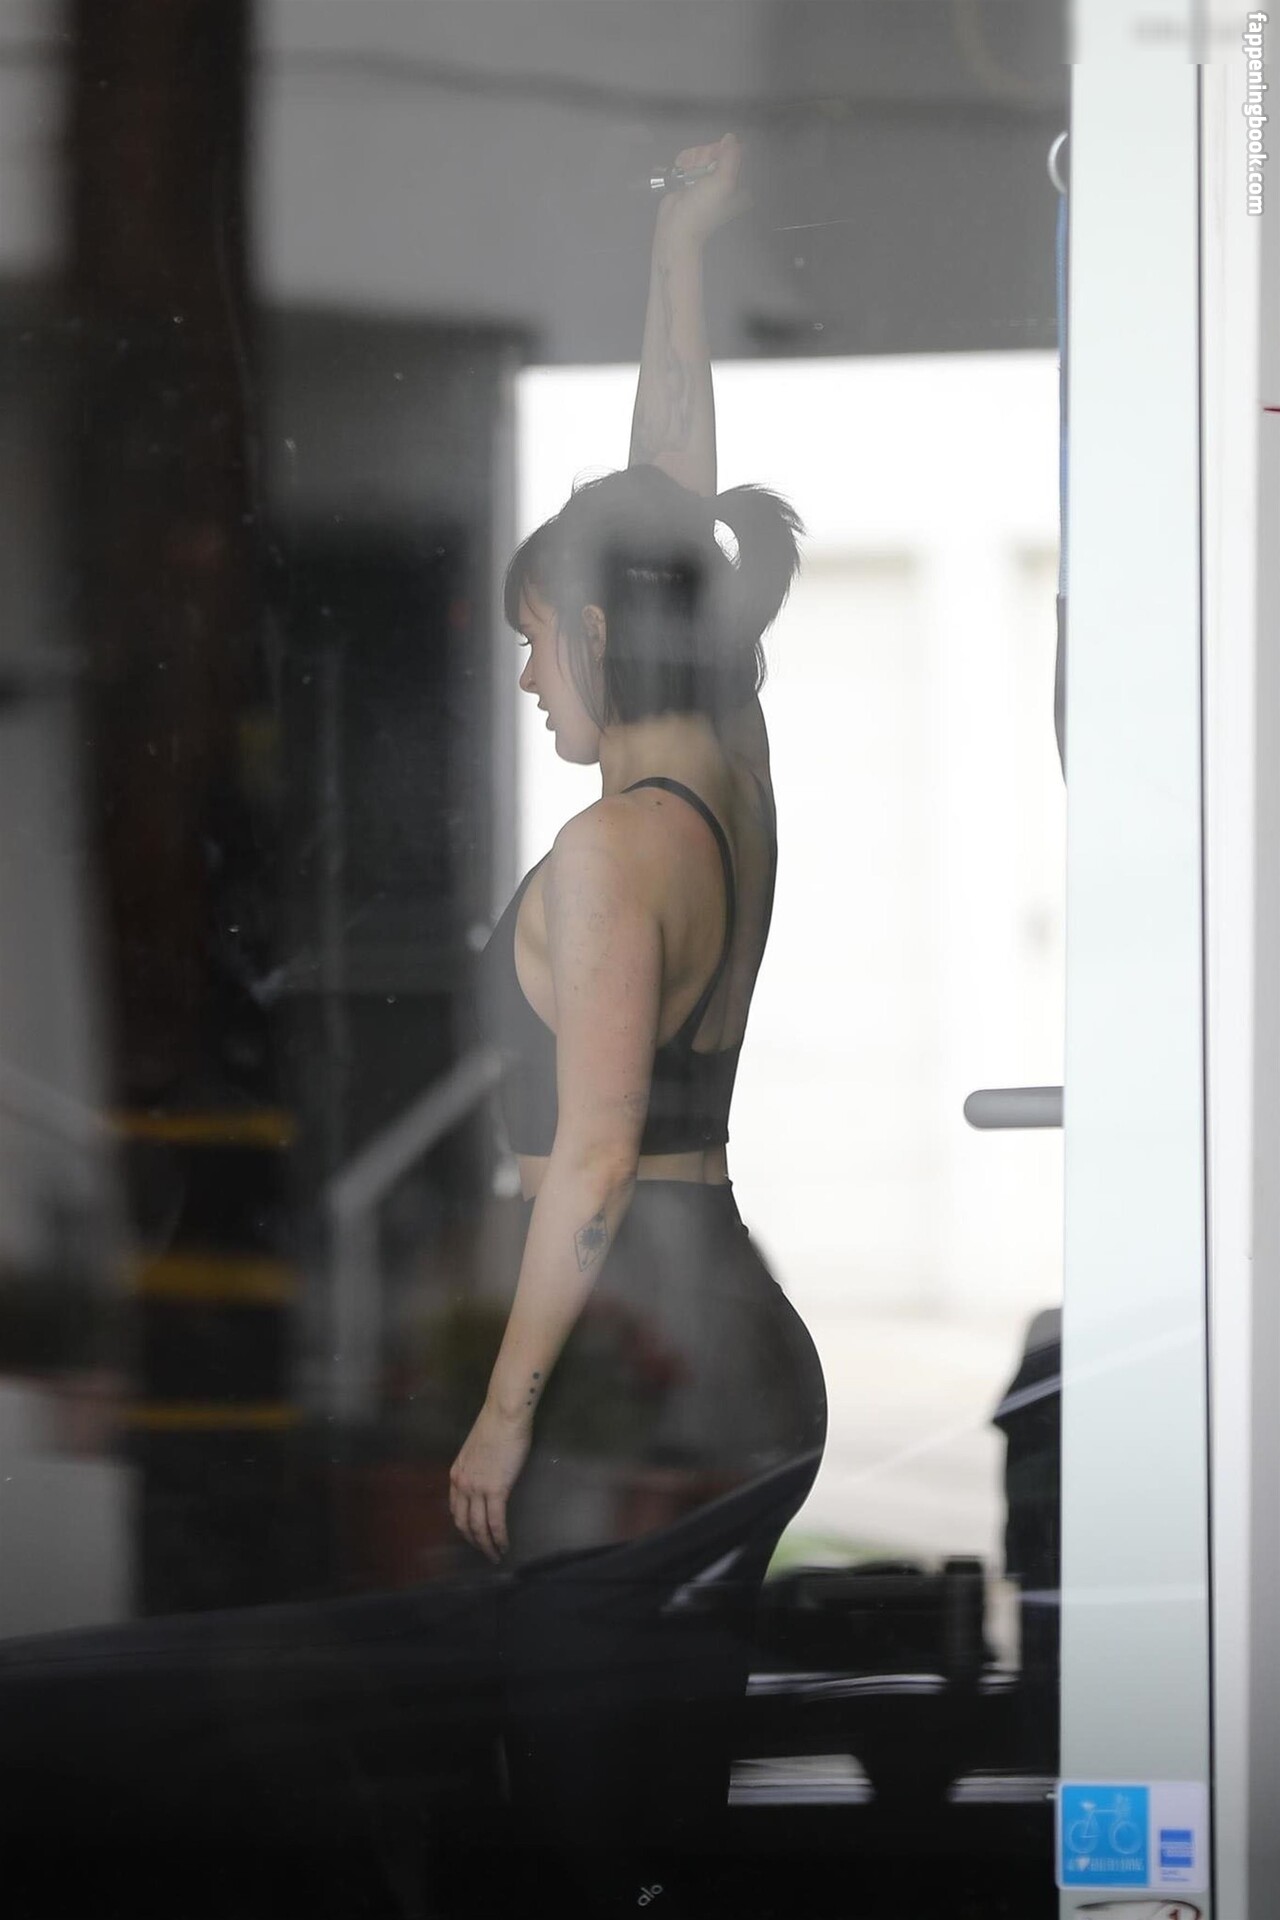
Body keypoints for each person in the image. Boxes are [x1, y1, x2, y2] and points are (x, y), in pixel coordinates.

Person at [452, 135, 830, 1915]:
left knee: (586, 1837)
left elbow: (592, 1161)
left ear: (601, 625)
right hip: (737, 1335)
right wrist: (680, 249)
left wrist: (500, 1419)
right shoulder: (729, 780)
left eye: (538, 637)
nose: (530, 674)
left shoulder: (612, 857)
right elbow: (667, 491)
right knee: (661, 1816)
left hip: (641, 1356)